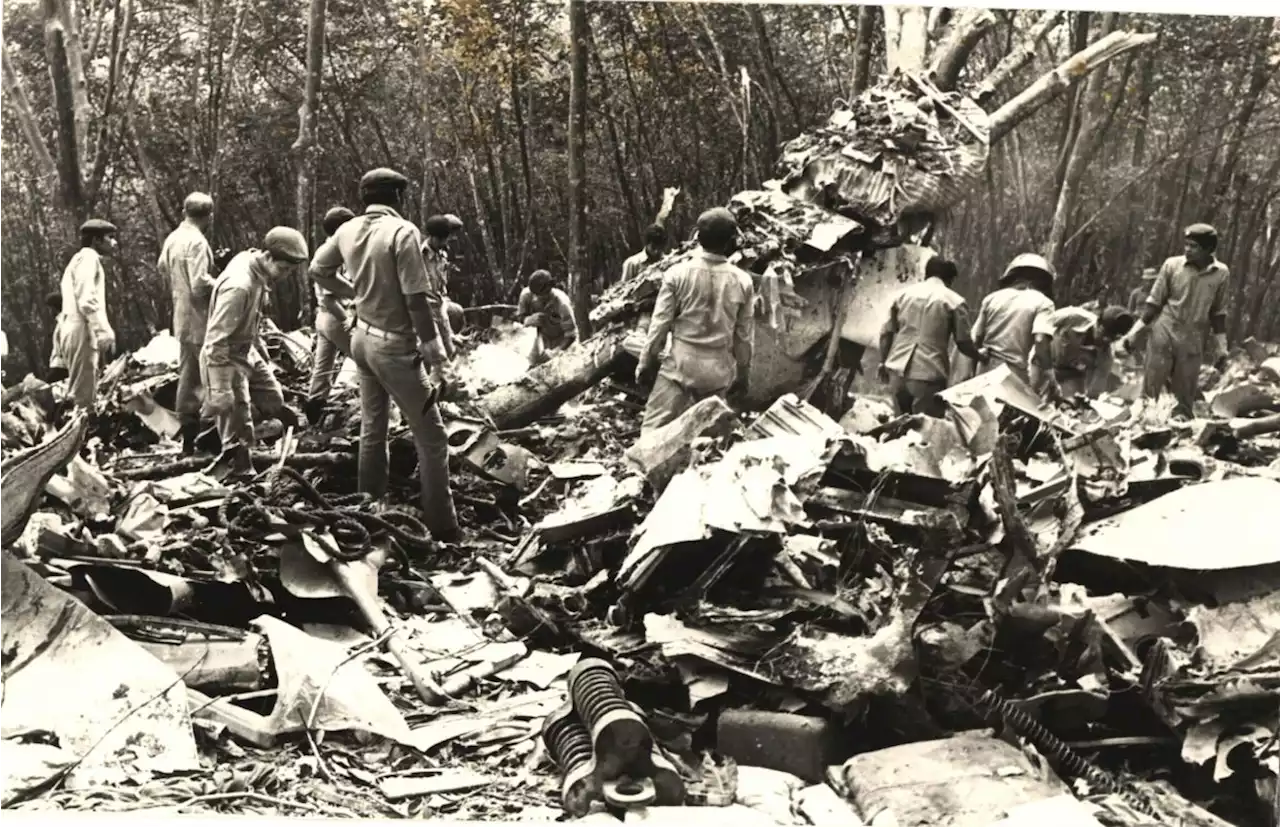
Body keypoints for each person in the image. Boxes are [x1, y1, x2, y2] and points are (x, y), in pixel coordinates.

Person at [308, 168, 460, 543]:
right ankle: (443, 527)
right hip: (393, 346)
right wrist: (438, 358)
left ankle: (369, 504)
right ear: (397, 196)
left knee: (373, 426)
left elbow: (317, 269)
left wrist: (353, 293)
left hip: (361, 338)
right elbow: (416, 301)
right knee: (433, 437)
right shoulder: (402, 231)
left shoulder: (346, 229)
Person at [636, 207, 755, 434]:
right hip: (718, 370)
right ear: (731, 241)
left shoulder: (677, 274)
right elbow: (744, 336)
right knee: (712, 442)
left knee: (652, 433)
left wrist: (645, 362)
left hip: (680, 366)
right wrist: (744, 375)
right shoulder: (743, 281)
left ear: (697, 237)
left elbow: (659, 327)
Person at [201, 228, 306, 476]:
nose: (285, 276)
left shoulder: (253, 262)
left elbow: (252, 317)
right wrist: (221, 388)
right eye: (284, 269)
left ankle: (222, 430)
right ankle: (239, 467)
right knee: (238, 422)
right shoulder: (239, 286)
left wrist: (261, 353)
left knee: (273, 400)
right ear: (268, 257)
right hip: (225, 357)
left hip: (246, 349)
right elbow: (216, 340)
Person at [1116, 223, 1230, 418]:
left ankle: (1179, 434)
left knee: (1185, 393)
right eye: (1186, 244)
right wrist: (1133, 334)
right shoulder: (1172, 265)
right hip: (1165, 330)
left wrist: (1221, 346)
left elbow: (1218, 313)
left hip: (1194, 336)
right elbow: (1154, 304)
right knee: (1151, 388)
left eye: (1193, 246)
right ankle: (1140, 426)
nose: (1187, 250)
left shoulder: (1221, 273)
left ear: (1208, 249)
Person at [876, 257, 983, 418]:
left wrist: (883, 362)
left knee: (898, 428)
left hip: (897, 371)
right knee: (925, 432)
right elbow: (963, 343)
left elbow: (885, 334)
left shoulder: (902, 295)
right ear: (950, 279)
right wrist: (980, 355)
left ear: (927, 273)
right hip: (929, 373)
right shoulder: (954, 301)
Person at [158, 192, 217, 453]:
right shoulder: (197, 242)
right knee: (212, 374)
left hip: (181, 318)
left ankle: (189, 439)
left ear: (184, 212)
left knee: (188, 376)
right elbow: (199, 283)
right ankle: (211, 433)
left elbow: (162, 267)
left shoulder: (173, 238)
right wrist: (222, 282)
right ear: (209, 216)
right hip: (201, 318)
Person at [57, 219, 118, 409]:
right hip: (81, 327)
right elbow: (86, 298)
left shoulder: (77, 260)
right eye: (110, 238)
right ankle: (81, 435)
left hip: (74, 326)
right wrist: (103, 331)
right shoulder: (88, 258)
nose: (114, 243)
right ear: (96, 241)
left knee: (83, 389)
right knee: (83, 397)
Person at [304, 206, 356, 424]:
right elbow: (328, 297)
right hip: (335, 316)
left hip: (325, 318)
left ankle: (314, 411)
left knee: (322, 368)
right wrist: (347, 321)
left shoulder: (331, 251)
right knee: (367, 361)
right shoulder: (333, 253)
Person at [971, 253, 1056, 385]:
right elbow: (1040, 341)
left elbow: (976, 337)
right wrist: (1050, 377)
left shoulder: (992, 298)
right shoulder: (1043, 303)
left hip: (984, 370)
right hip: (1012, 374)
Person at [1032, 305, 1135, 402]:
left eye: (1112, 339)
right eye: (1104, 334)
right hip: (1042, 362)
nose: (1106, 340)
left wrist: (1087, 403)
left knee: (1071, 404)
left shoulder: (1105, 356)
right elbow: (1042, 326)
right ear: (1098, 323)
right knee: (1030, 398)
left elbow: (1095, 390)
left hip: (1069, 375)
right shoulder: (1075, 316)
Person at [420, 214, 459, 363]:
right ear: (433, 237)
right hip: (424, 311)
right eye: (442, 239)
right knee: (435, 356)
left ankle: (445, 384)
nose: (445, 242)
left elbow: (441, 289)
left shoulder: (442, 254)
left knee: (451, 352)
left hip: (439, 308)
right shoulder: (418, 255)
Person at [517, 269, 578, 363]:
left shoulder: (562, 303)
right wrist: (527, 320)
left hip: (561, 341)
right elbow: (519, 317)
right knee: (527, 366)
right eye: (535, 294)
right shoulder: (526, 296)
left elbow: (571, 335)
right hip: (538, 339)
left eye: (540, 295)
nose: (537, 298)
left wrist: (555, 352)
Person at [47, 291, 69, 382]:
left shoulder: (63, 323)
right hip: (58, 365)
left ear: (53, 308)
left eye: (49, 308)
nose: (49, 311)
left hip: (61, 366)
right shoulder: (60, 322)